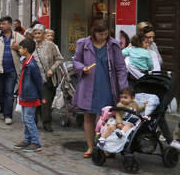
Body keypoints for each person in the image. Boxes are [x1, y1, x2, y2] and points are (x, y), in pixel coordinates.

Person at [72, 19, 128, 158]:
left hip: (108, 86)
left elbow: (121, 67)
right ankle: (91, 147)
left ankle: (106, 147)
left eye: (105, 33)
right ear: (94, 32)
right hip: (88, 85)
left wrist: (123, 87)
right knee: (89, 117)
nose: (103, 36)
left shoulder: (113, 45)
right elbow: (76, 61)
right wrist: (82, 68)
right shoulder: (83, 43)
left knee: (108, 118)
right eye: (100, 34)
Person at [0, 16, 25, 125]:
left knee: (9, 93)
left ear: (10, 25)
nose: (1, 26)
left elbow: (26, 53)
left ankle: (8, 115)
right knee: (0, 92)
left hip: (12, 70)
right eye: (0, 24)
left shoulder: (19, 37)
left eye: (4, 24)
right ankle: (3, 110)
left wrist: (18, 49)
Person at [14, 39, 46, 152]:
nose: (19, 49)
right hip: (24, 95)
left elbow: (38, 81)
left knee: (28, 119)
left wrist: (41, 96)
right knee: (25, 119)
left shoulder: (32, 64)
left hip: (30, 96)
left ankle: (35, 142)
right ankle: (27, 140)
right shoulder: (26, 62)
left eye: (21, 48)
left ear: (26, 50)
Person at [31, 24, 63, 132]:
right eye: (35, 33)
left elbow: (59, 59)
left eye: (39, 33)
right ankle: (33, 122)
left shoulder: (50, 45)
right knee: (34, 101)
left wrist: (52, 69)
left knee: (45, 102)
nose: (37, 35)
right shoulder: (31, 45)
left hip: (47, 79)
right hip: (34, 79)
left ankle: (46, 122)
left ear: (44, 34)